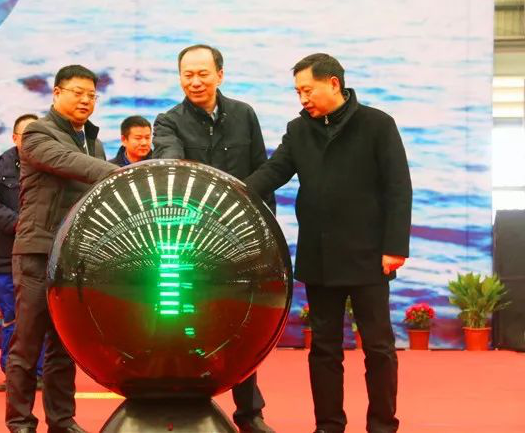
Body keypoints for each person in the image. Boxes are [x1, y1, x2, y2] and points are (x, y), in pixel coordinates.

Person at [245, 53, 412, 433]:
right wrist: (235, 191)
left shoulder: (377, 124)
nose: (302, 98)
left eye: (307, 90)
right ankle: (328, 425)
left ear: (333, 83)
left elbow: (398, 188)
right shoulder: (298, 129)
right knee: (324, 348)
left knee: (379, 348)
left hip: (370, 255)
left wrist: (395, 247)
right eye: (298, 92)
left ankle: (383, 424)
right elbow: (273, 172)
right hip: (319, 255)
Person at [153, 44, 275, 433]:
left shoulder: (244, 115)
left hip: (239, 240)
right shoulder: (167, 122)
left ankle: (249, 413)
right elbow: (172, 168)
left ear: (220, 75)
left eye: (203, 73)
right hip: (191, 242)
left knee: (241, 325)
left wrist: (266, 233)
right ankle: (184, 407)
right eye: (187, 74)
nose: (195, 81)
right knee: (185, 325)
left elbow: (262, 172)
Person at [5, 65, 117, 433]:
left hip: (73, 256)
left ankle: (62, 420)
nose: (86, 100)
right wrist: (118, 171)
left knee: (64, 345)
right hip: (37, 252)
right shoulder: (37, 133)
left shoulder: (94, 144)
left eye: (92, 95)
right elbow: (69, 163)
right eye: (78, 92)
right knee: (27, 343)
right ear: (56, 93)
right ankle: (20, 420)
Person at [0, 113, 46, 392]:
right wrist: (20, 224)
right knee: (12, 318)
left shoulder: (51, 163)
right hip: (9, 257)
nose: (30, 142)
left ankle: (40, 373)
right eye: (25, 136)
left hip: (42, 254)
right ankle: (13, 373)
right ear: (14, 138)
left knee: (41, 317)